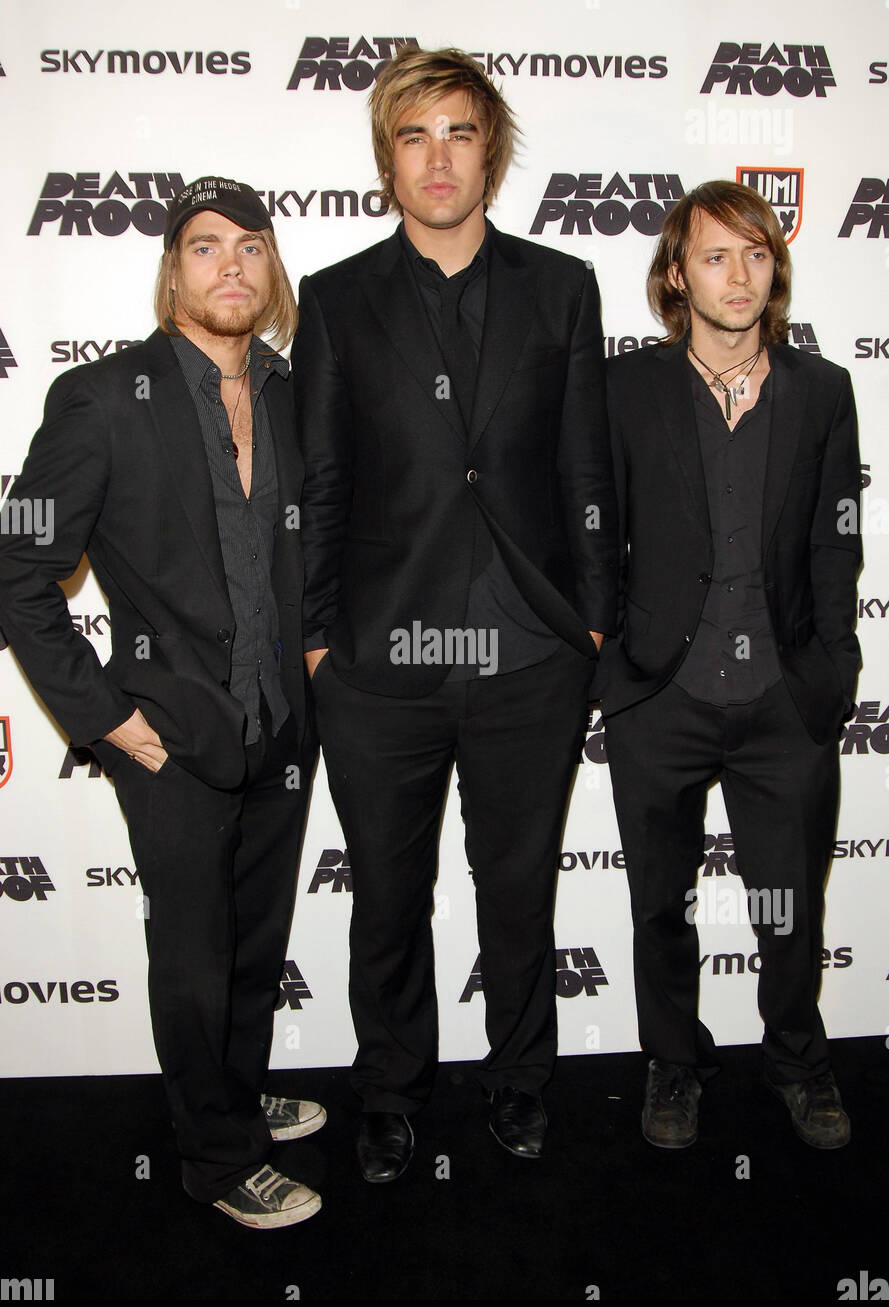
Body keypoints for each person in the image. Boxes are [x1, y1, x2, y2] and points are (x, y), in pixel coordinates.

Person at [293, 47, 617, 1181]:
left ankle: (519, 1081)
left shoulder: (560, 286)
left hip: (532, 652)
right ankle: (389, 1090)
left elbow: (586, 464)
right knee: (386, 892)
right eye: (415, 135)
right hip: (381, 660)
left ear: (494, 150)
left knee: (519, 889)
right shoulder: (334, 299)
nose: (439, 158)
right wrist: (320, 640)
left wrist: (590, 626)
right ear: (388, 156)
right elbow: (321, 480)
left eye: (460, 133)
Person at [0, 176, 325, 1226]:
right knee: (191, 954)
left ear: (271, 270)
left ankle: (233, 1092)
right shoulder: (103, 399)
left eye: (250, 246)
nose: (231, 264)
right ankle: (216, 1159)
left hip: (282, 724)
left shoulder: (290, 390)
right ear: (171, 270)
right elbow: (17, 568)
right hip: (171, 733)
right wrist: (104, 720)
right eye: (204, 246)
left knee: (252, 940)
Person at [598, 180, 861, 1150]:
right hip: (658, 698)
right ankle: (673, 1061)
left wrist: (831, 670)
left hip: (782, 700)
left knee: (788, 907)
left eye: (755, 254)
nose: (738, 274)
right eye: (715, 255)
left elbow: (837, 543)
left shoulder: (822, 391)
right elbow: (591, 536)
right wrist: (607, 660)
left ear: (774, 269)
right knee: (658, 903)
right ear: (677, 274)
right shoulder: (625, 390)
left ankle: (797, 1058)